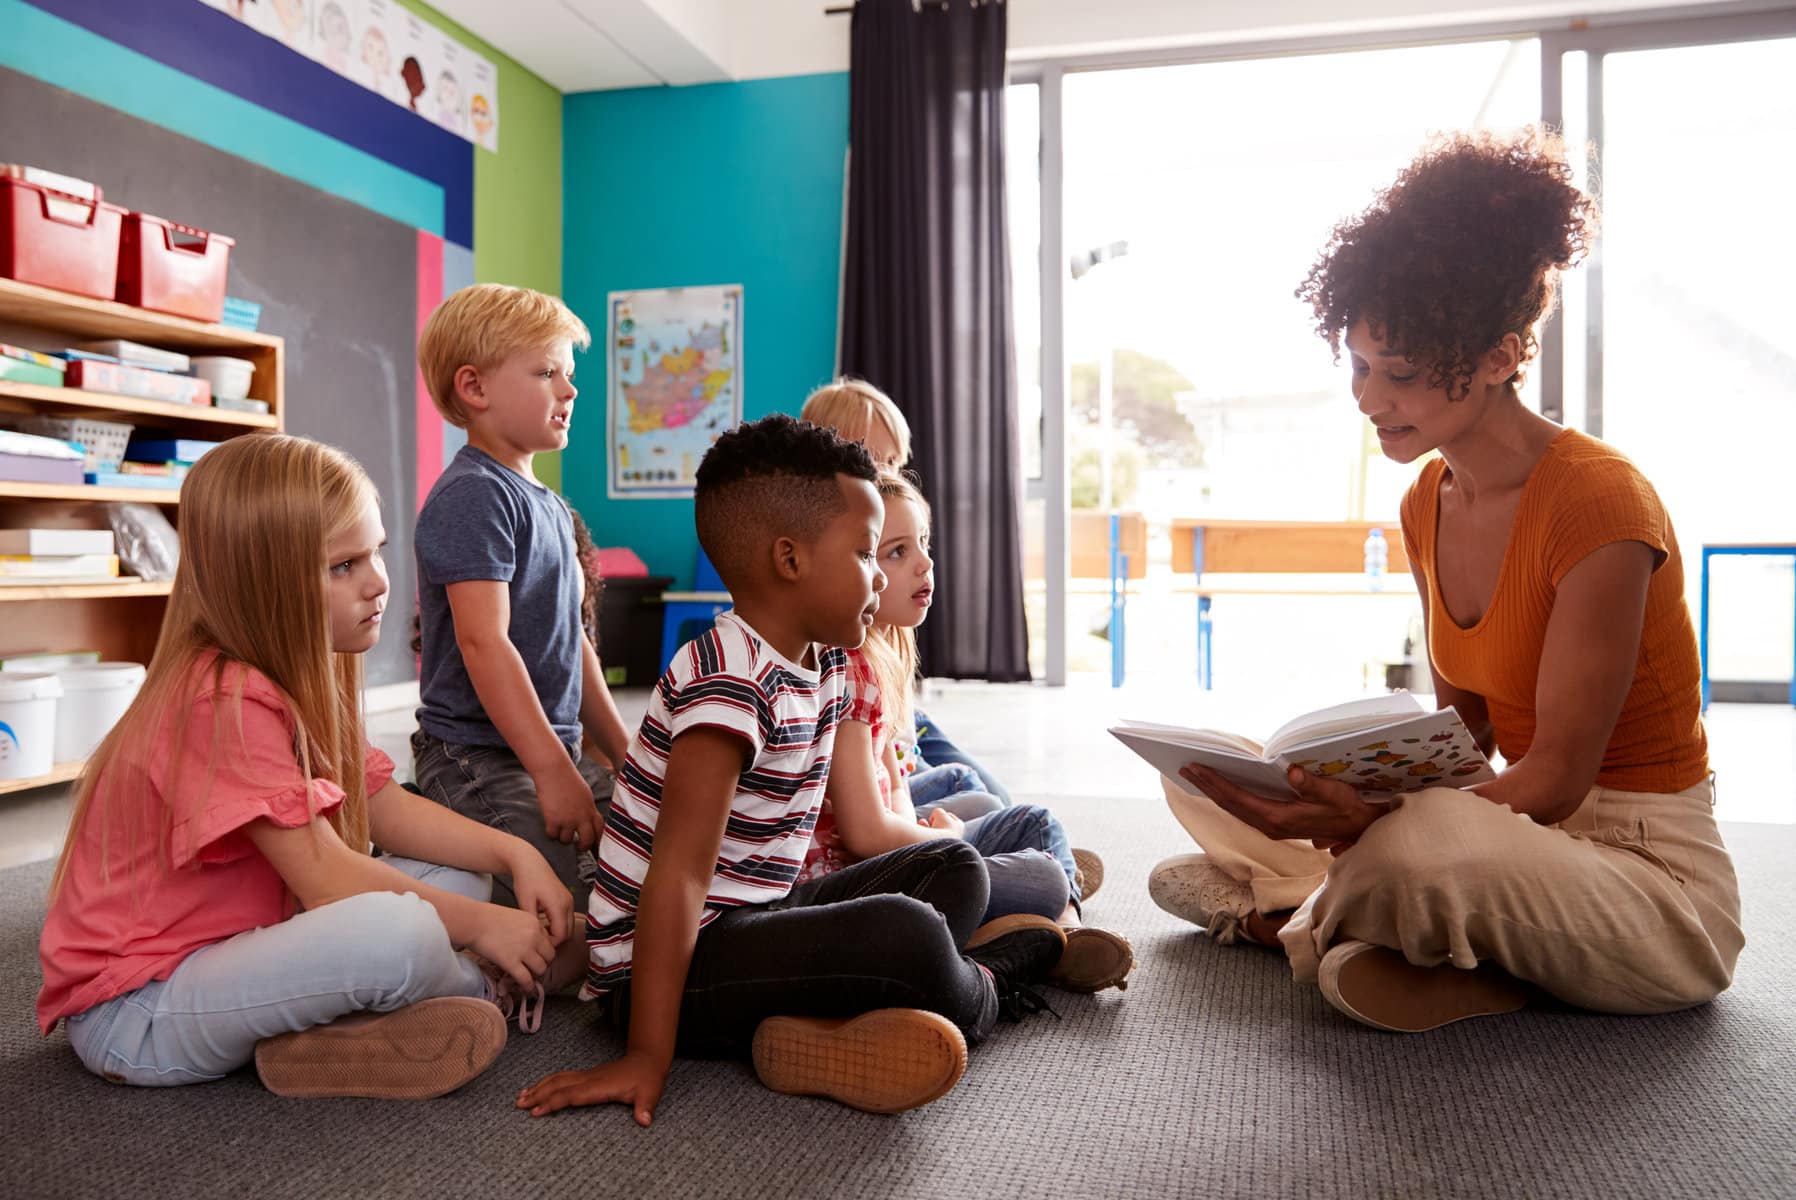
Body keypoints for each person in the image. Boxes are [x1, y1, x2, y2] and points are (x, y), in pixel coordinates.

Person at [1149, 128, 1743, 1032]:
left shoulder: (1601, 504)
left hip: (1648, 879)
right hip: (1518, 847)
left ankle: (1295, 917)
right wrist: (1335, 797)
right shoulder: (1428, 497)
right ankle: (1410, 931)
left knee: (1422, 844)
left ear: (1503, 358)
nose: (1367, 397)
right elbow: (1464, 736)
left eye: (1404, 374)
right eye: (1357, 363)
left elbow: (1552, 779)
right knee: (1198, 775)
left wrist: (1374, 823)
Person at [516, 415, 1065, 1122]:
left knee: (956, 869)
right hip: (667, 974)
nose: (879, 576)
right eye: (868, 553)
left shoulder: (827, 661)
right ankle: (992, 981)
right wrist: (645, 1056)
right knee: (913, 935)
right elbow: (678, 877)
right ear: (790, 560)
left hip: (759, 921)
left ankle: (822, 1031)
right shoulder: (729, 683)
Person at [36, 434, 570, 1099]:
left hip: (242, 943)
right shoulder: (219, 700)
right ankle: (490, 982)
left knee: (457, 872)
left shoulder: (296, 679)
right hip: (139, 1010)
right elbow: (325, 877)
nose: (378, 580)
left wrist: (516, 856)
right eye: (343, 565)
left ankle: (339, 1031)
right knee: (398, 931)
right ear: (265, 587)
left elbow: (386, 807)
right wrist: (490, 931)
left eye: (375, 551)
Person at [803, 471, 1133, 992]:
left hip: (887, 854)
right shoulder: (849, 667)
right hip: (867, 876)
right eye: (895, 552)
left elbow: (889, 787)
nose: (924, 564)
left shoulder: (875, 658)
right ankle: (1061, 925)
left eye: (924, 545)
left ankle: (1047, 914)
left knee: (988, 806)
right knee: (1040, 858)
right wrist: (945, 839)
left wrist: (933, 828)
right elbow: (868, 834)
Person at [410, 284, 632, 928]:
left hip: (549, 750)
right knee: (579, 911)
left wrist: (625, 756)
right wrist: (553, 771)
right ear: (475, 389)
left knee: (658, 855)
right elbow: (485, 643)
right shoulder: (474, 496)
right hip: (477, 755)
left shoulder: (551, 506)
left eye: (569, 374)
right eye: (546, 372)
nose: (570, 391)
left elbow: (574, 644)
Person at [800, 377, 1011, 801]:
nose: (885, 476)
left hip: (902, 728)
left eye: (892, 462)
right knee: (975, 798)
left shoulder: (891, 566)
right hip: (864, 745)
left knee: (993, 794)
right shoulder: (831, 579)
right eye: (869, 461)